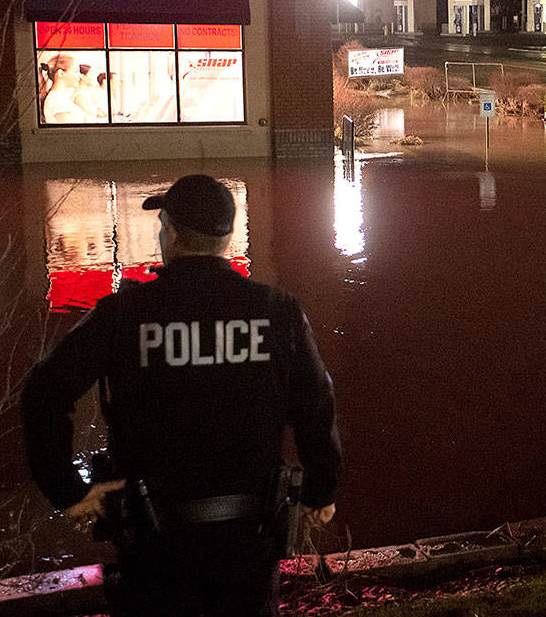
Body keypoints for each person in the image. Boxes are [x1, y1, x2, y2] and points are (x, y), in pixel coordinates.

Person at [22, 174, 342, 616]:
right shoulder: (277, 312)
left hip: (155, 550)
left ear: (170, 231)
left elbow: (44, 393)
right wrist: (321, 489)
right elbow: (316, 404)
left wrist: (68, 490)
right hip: (249, 545)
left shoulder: (124, 314)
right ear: (227, 236)